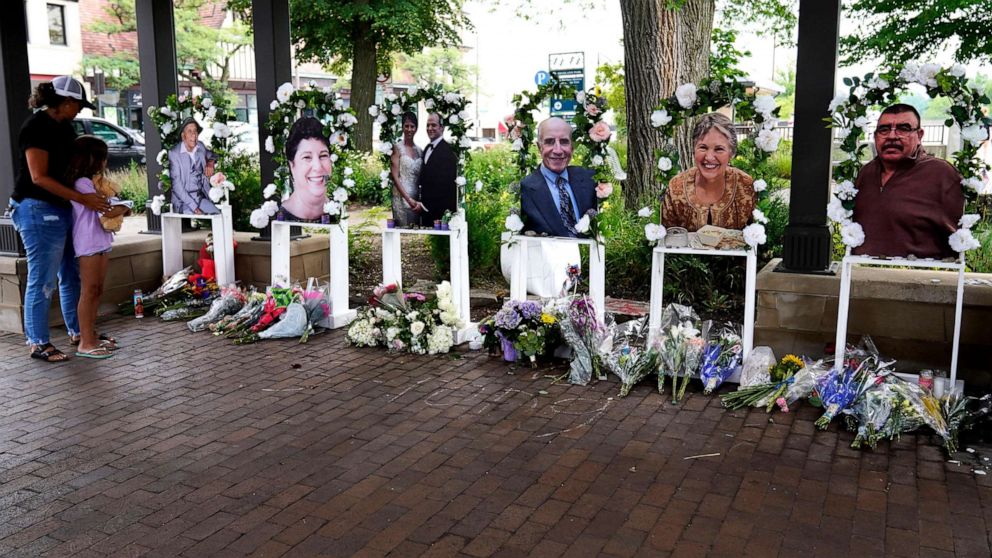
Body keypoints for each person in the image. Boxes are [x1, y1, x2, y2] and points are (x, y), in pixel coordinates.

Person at [10, 76, 110, 363]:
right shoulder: (36, 127)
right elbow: (38, 177)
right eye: (78, 104)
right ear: (65, 102)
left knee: (71, 274)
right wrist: (83, 199)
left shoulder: (65, 127)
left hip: (63, 207)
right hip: (37, 209)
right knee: (43, 278)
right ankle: (38, 342)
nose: (80, 110)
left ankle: (81, 334)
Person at [852, 104, 964, 259]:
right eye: (884, 129)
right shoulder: (867, 172)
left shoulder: (941, 173)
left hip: (919, 276)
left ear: (919, 135)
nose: (892, 136)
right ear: (875, 136)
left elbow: (957, 234)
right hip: (859, 273)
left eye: (903, 129)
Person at [67, 136, 129, 359]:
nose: (105, 162)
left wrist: (121, 207)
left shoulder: (92, 182)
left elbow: (113, 206)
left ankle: (91, 335)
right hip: (88, 241)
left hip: (101, 239)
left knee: (97, 290)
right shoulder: (82, 184)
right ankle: (85, 341)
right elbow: (108, 208)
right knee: (89, 290)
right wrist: (124, 207)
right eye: (103, 157)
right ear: (92, 158)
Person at [661, 112, 756, 232]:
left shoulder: (745, 185)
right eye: (703, 147)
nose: (709, 157)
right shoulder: (676, 187)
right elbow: (666, 238)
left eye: (719, 149)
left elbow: (759, 235)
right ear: (693, 149)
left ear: (731, 153)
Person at [520, 117, 597, 237]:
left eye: (564, 142)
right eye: (549, 141)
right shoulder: (524, 189)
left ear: (572, 147)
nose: (558, 150)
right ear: (539, 147)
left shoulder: (590, 179)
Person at [281, 116, 332, 222]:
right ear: (292, 166)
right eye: (307, 157)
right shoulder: (278, 218)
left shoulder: (341, 214)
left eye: (323, 156)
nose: (317, 167)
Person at [168, 117, 218, 215]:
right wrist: (194, 207)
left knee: (218, 215)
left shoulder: (200, 147)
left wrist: (210, 163)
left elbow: (213, 155)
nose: (193, 134)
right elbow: (177, 186)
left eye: (195, 131)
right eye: (189, 131)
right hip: (183, 202)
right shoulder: (174, 154)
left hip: (200, 197)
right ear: (183, 136)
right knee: (205, 215)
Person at [418, 113, 458, 226]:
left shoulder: (448, 151)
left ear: (442, 127)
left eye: (433, 125)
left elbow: (446, 184)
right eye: (428, 125)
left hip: (440, 211)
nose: (430, 128)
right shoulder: (426, 148)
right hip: (426, 210)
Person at [390, 112, 425, 226]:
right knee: (403, 231)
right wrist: (408, 200)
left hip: (416, 201)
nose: (409, 129)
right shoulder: (397, 148)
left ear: (416, 128)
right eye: (406, 126)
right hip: (401, 198)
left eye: (412, 126)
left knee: (416, 234)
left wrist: (419, 201)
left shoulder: (420, 151)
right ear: (402, 127)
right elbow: (395, 176)